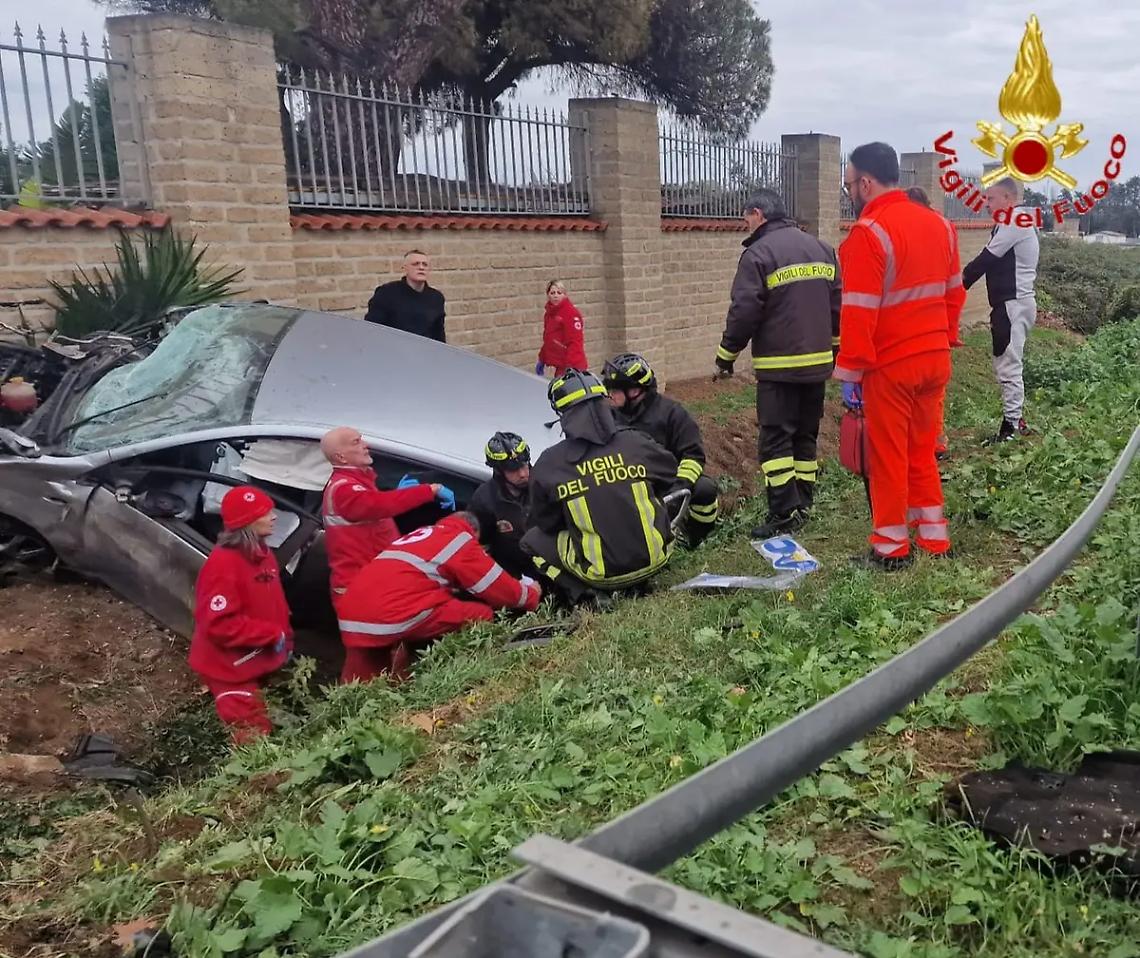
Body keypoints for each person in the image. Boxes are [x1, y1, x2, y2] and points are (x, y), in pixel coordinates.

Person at [834, 141, 966, 570]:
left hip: (892, 365)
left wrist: (852, 374)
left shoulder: (868, 234)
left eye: (848, 185)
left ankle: (891, 548)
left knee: (888, 456)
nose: (849, 193)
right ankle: (933, 536)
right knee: (922, 450)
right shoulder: (941, 225)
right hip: (935, 358)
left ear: (865, 183)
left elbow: (859, 313)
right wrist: (944, 337)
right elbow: (954, 294)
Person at [713, 187, 842, 540]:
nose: (746, 225)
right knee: (805, 434)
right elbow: (836, 307)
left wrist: (726, 356)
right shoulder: (822, 249)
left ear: (758, 214)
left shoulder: (758, 254)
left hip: (779, 366)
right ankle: (803, 503)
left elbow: (744, 311)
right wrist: (834, 349)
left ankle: (783, 512)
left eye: (746, 218)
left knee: (775, 440)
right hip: (818, 365)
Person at [521, 368, 679, 604]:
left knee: (531, 541)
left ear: (562, 413)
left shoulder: (549, 463)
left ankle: (584, 594)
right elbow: (670, 474)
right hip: (657, 558)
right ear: (604, 401)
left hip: (600, 575)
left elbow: (546, 523)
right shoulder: (635, 442)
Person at [337, 511, 541, 683]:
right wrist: (531, 594)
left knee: (365, 671)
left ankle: (354, 703)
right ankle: (454, 676)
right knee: (480, 614)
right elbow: (497, 587)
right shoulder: (459, 539)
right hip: (392, 614)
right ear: (474, 531)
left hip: (351, 615)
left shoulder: (421, 534)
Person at [188, 486, 292, 744]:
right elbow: (220, 625)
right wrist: (271, 634)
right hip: (229, 668)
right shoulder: (223, 566)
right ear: (247, 522)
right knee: (253, 736)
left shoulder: (262, 555)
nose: (274, 517)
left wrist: (284, 638)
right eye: (265, 513)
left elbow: (274, 603)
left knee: (262, 720)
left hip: (254, 659)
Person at [319, 426, 455, 612]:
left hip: (373, 582)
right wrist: (430, 490)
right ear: (341, 457)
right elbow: (379, 505)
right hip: (360, 589)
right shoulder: (344, 489)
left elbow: (374, 507)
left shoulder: (354, 484)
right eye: (356, 442)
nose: (366, 445)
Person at [602, 352, 720, 545]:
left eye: (615, 390)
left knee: (705, 488)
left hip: (665, 485)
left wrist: (678, 488)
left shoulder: (672, 414)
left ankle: (692, 537)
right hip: (623, 486)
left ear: (634, 391)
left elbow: (693, 455)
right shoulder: (607, 416)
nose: (610, 395)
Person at [962, 177, 1040, 443]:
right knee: (1007, 362)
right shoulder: (1016, 221)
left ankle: (1011, 428)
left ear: (1008, 198)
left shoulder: (1014, 221)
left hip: (1012, 304)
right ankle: (1015, 420)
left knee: (1008, 365)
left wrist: (957, 284)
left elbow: (987, 258)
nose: (986, 204)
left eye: (991, 198)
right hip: (1014, 303)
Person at [906, 186, 965, 459]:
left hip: (909, 330)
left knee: (907, 392)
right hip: (937, 329)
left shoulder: (902, 230)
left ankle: (914, 444)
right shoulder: (945, 228)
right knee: (933, 393)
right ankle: (935, 443)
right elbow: (955, 290)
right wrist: (950, 332)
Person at [468, 431, 535, 580]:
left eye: (524, 465)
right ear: (499, 471)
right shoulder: (484, 500)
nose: (523, 474)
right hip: (513, 577)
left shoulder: (544, 485)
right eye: (513, 469)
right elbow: (479, 549)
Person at [363, 250, 446, 342]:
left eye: (425, 264)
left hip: (425, 348)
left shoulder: (436, 298)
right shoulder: (387, 293)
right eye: (415, 264)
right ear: (405, 268)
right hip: (394, 346)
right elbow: (372, 327)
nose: (421, 267)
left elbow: (439, 333)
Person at [536, 280, 587, 377]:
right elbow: (548, 339)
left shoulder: (571, 313)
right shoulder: (549, 314)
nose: (555, 296)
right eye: (552, 293)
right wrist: (542, 359)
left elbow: (575, 342)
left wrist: (571, 367)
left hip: (572, 366)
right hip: (559, 365)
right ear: (548, 295)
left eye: (559, 293)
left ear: (564, 295)